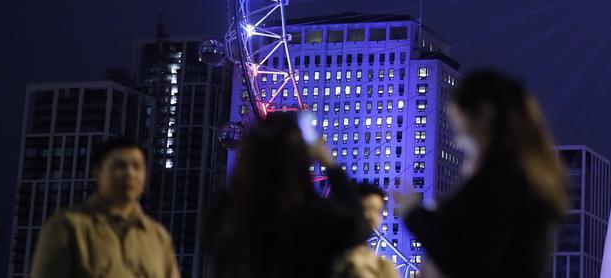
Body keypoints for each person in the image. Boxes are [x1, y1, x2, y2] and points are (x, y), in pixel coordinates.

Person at [393, 69, 568, 278]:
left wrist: (415, 215)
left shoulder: (500, 181)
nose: (458, 140)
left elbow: (470, 259)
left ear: (484, 115)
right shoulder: (531, 177)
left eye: (460, 127)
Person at [204, 112, 370, 278]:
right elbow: (358, 226)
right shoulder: (310, 216)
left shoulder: (225, 211)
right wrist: (329, 164)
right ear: (300, 160)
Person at [30, 136, 180, 278]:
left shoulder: (158, 237)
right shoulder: (68, 226)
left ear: (146, 176)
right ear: (97, 172)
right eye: (119, 166)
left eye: (137, 167)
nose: (130, 174)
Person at [333, 183, 397, 278]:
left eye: (377, 211)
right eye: (366, 208)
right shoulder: (327, 259)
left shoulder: (384, 268)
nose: (371, 217)